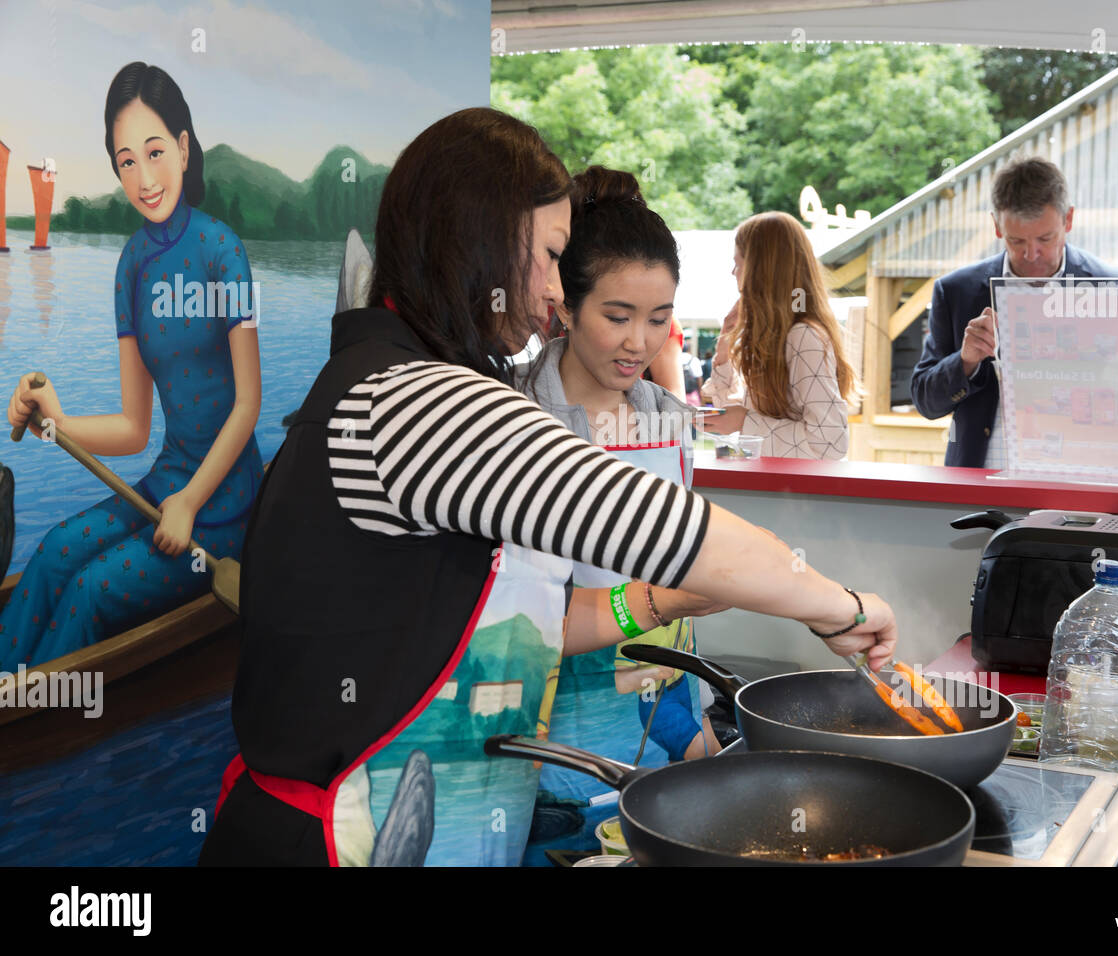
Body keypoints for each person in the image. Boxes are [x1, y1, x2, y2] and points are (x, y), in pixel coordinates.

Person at [198, 108, 897, 868]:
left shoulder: (389, 379)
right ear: (480, 238)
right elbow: (665, 529)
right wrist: (845, 607)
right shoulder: (412, 400)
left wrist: (672, 612)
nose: (553, 288)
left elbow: (538, 611)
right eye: (549, 255)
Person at [2, 62, 262, 670]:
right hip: (165, 483)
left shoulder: (224, 251)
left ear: (183, 146)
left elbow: (247, 404)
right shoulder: (131, 265)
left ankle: (34, 709)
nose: (143, 178)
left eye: (153, 152)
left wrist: (191, 503)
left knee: (90, 588)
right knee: (54, 552)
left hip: (225, 507)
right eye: (125, 161)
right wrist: (54, 421)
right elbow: (134, 429)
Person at [515, 165, 717, 860]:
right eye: (618, 317)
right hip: (551, 772)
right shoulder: (515, 423)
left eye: (659, 320)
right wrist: (663, 602)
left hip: (663, 747)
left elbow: (686, 602)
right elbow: (524, 626)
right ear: (565, 306)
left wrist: (701, 742)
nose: (640, 343)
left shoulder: (666, 419)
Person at [910, 157, 1118, 468]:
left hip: (1079, 480)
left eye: (1045, 239)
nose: (1032, 255)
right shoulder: (956, 291)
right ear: (996, 226)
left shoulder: (1113, 286)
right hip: (983, 483)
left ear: (1068, 220)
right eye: (1016, 241)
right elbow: (925, 401)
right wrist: (965, 362)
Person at [699, 211, 855, 459]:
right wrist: (724, 348)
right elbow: (725, 409)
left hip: (799, 494)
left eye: (738, 264)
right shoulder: (773, 338)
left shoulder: (804, 337)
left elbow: (829, 444)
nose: (733, 273)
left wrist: (745, 423)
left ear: (761, 270)